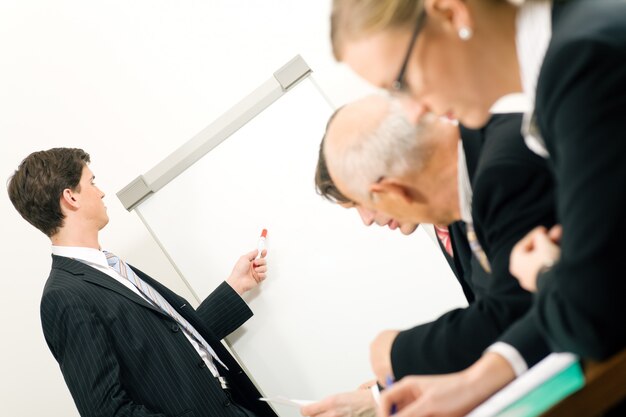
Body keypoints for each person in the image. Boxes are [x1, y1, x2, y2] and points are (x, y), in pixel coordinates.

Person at [330, 0, 626, 416]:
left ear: (452, 14)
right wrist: (474, 381)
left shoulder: (581, 63)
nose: (414, 111)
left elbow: (594, 311)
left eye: (401, 82)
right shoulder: (562, 59)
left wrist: (542, 272)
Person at [302, 93, 554, 416]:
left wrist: (393, 352)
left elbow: (510, 313)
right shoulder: (455, 206)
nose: (367, 220)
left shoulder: (502, 173)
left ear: (391, 190)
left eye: (362, 203)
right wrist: (382, 394)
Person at [7, 148, 277, 417]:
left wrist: (236, 286)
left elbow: (173, 345)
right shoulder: (65, 296)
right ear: (71, 196)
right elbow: (107, 411)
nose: (100, 192)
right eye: (91, 182)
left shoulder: (111, 267)